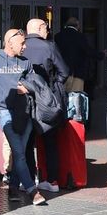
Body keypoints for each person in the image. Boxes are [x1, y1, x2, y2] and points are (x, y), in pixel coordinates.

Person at [0, 28, 45, 206]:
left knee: (19, 151)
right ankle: (32, 190)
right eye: (22, 43)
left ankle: (14, 187)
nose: (25, 46)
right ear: (9, 42)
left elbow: (35, 84)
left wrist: (27, 88)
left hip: (25, 112)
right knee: (19, 151)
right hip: (5, 110)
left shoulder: (26, 63)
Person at [22, 18, 70, 194]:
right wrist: (53, 85)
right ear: (40, 28)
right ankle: (52, 180)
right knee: (50, 142)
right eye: (46, 28)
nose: (48, 31)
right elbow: (64, 71)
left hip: (25, 99)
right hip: (46, 101)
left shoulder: (20, 45)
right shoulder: (49, 46)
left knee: (26, 143)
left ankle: (28, 179)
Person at [54, 15, 94, 94]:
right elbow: (88, 51)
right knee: (76, 98)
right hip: (77, 73)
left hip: (61, 72)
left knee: (62, 96)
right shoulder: (80, 36)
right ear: (78, 25)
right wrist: (102, 54)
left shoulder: (57, 36)